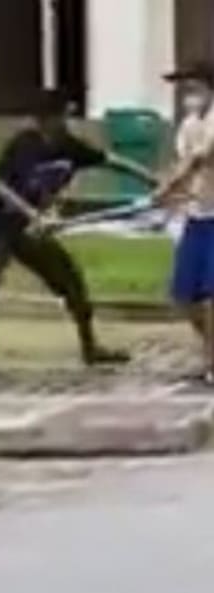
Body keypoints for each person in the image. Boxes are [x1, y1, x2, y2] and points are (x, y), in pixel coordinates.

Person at [0, 89, 159, 385]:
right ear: (48, 119)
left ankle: (90, 348)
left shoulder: (68, 146)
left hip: (29, 230)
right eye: (63, 116)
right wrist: (33, 214)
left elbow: (110, 160)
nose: (67, 121)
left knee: (70, 280)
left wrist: (152, 179)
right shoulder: (23, 145)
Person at [153, 61, 214, 383]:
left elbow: (197, 160)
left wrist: (168, 186)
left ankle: (212, 361)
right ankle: (211, 350)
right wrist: (168, 192)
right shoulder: (189, 124)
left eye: (193, 87)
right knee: (185, 295)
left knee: (211, 294)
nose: (187, 94)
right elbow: (181, 164)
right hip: (196, 215)